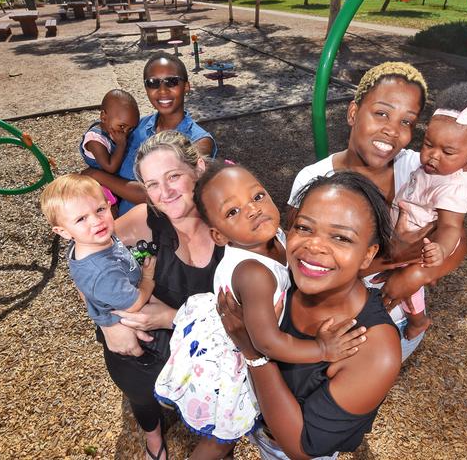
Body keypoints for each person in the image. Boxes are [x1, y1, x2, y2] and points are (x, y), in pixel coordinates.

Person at [154, 163, 365, 460]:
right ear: (219, 236)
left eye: (257, 197)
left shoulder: (274, 237)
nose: (252, 210)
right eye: (233, 212)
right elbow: (265, 343)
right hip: (237, 356)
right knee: (223, 436)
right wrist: (321, 349)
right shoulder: (253, 273)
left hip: (250, 328)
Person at [287, 61, 467, 361]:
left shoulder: (419, 170)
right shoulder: (314, 180)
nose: (392, 130)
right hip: (332, 326)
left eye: (407, 122)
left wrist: (416, 275)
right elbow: (296, 261)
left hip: (397, 317)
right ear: (353, 112)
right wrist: (390, 260)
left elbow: (459, 239)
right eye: (381, 113)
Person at [218, 171, 402, 460]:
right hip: (256, 424)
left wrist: (253, 352)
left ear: (368, 255)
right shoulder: (280, 274)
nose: (313, 246)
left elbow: (301, 448)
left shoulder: (373, 349)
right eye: (304, 228)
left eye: (341, 237)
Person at [96, 131, 225, 460]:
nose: (164, 193)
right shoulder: (143, 220)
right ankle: (153, 436)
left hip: (210, 354)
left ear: (197, 168)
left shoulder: (229, 221)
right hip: (146, 354)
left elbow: (251, 314)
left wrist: (172, 316)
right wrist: (108, 322)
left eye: (173, 177)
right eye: (152, 184)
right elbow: (84, 254)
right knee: (142, 395)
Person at [393, 82, 467, 339]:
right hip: (405, 225)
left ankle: (418, 320)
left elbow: (451, 226)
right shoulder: (435, 167)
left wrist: (439, 251)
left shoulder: (455, 184)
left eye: (448, 151)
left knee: (408, 283)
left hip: (419, 240)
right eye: (428, 143)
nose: (433, 156)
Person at [83, 52, 216, 216]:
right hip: (121, 227)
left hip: (161, 234)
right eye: (153, 83)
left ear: (186, 86)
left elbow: (158, 195)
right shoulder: (136, 127)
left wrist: (95, 175)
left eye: (172, 81)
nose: (162, 90)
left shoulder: (199, 141)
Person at [39, 174, 158, 353]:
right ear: (63, 231)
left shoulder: (88, 242)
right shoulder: (102, 271)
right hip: (131, 324)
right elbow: (134, 304)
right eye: (81, 219)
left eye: (100, 209)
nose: (96, 221)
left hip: (118, 298)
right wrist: (148, 278)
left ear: (109, 205)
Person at [79, 90, 140, 214]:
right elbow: (110, 168)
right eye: (122, 126)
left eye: (130, 128)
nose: (125, 132)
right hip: (102, 181)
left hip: (110, 177)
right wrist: (121, 145)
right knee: (108, 206)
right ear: (104, 117)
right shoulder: (95, 140)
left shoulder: (113, 130)